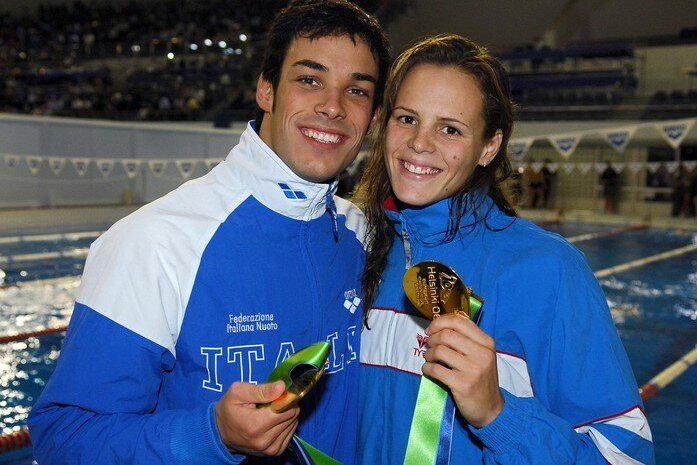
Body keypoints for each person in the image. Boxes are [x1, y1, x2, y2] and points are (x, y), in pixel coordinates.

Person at [28, 1, 390, 464]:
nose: (333, 107)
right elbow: (63, 436)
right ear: (266, 89)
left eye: (356, 92)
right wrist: (211, 434)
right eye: (309, 80)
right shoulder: (155, 242)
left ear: (374, 117)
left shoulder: (364, 238)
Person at [354, 34, 653, 464]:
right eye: (407, 118)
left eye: (450, 128)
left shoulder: (548, 270)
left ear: (488, 147)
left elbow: (627, 455)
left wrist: (498, 414)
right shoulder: (359, 250)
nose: (420, 143)